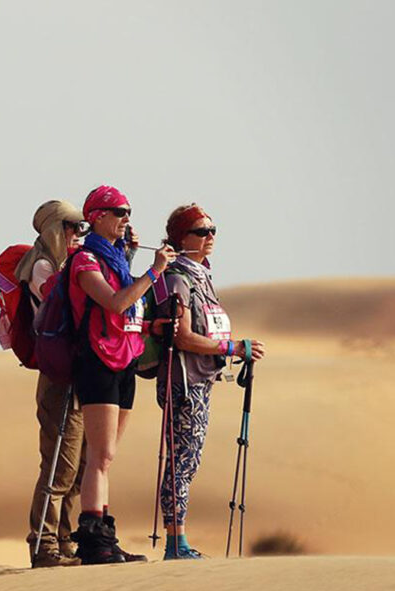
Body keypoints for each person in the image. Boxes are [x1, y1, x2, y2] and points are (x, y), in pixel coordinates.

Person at [68, 185, 176, 565]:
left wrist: (150, 325)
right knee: (100, 454)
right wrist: (154, 271)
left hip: (125, 360)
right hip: (97, 361)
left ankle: (104, 536)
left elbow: (129, 311)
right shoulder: (85, 262)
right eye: (119, 212)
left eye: (128, 211)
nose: (126, 218)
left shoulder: (116, 261)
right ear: (97, 217)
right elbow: (116, 303)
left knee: (106, 457)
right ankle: (93, 540)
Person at [155, 203, 266, 559]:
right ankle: (176, 543)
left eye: (213, 230)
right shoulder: (177, 277)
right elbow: (182, 337)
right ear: (181, 238)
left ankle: (179, 542)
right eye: (201, 231)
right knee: (182, 461)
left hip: (201, 380)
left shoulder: (200, 276)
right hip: (184, 382)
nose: (210, 237)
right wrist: (233, 348)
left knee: (189, 460)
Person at [16, 200, 89, 568]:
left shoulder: (60, 263)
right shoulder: (43, 266)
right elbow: (67, 301)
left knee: (78, 466)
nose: (78, 234)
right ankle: (43, 544)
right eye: (72, 227)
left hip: (75, 374)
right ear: (54, 229)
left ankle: (63, 539)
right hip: (58, 377)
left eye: (81, 227)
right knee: (60, 465)